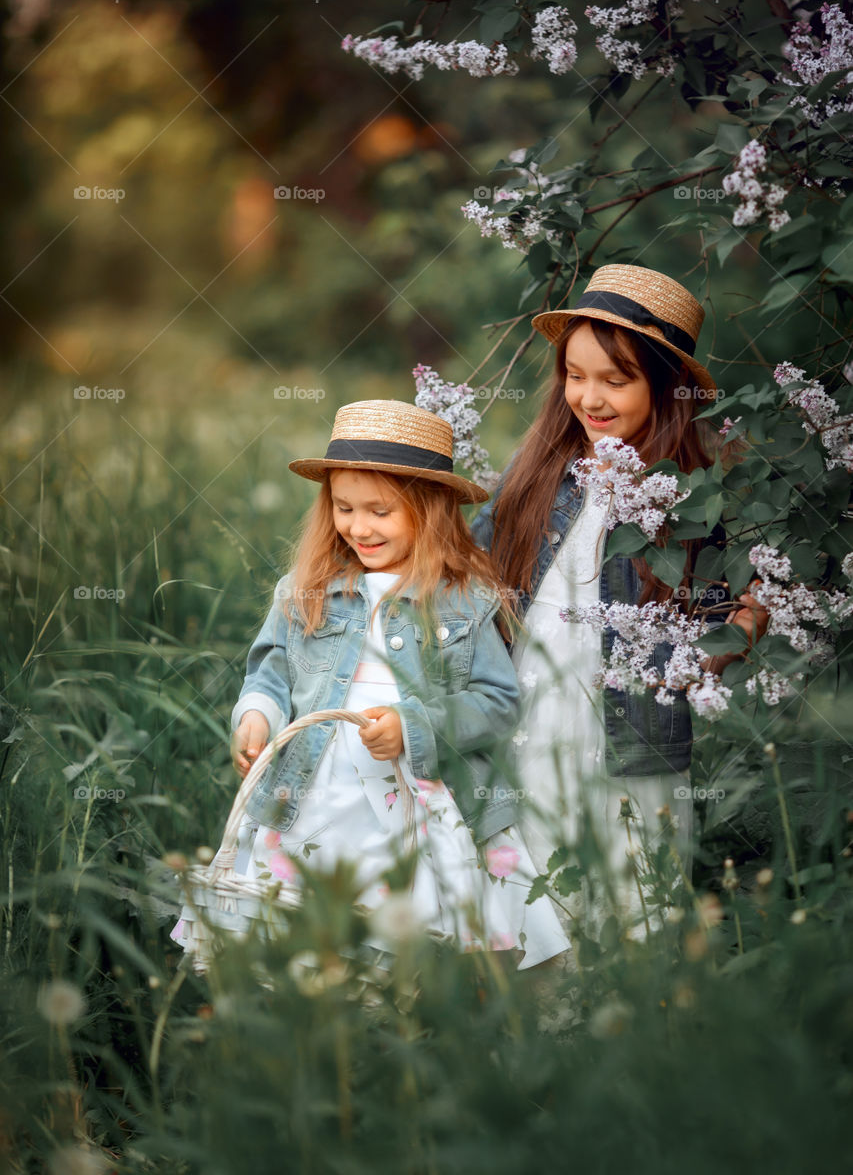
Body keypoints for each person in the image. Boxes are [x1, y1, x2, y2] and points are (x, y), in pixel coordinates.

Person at [171, 399, 569, 970]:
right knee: (295, 924)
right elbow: (271, 671)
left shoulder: (466, 599)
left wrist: (416, 727)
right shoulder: (306, 588)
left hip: (412, 795)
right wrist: (256, 715)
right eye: (344, 508)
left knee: (395, 935)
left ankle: (390, 1007)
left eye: (380, 511)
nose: (359, 527)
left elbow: (498, 702)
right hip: (314, 787)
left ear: (429, 510)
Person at [471, 264, 767, 941]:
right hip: (529, 724)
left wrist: (732, 636)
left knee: (628, 893)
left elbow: (724, 619)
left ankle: (632, 1018)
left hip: (631, 743)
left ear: (665, 388)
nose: (589, 397)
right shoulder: (538, 474)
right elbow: (464, 568)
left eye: (615, 378)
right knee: (533, 897)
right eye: (575, 375)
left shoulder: (690, 501)